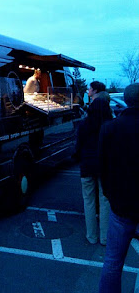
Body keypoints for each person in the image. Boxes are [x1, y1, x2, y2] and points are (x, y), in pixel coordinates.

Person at [98, 83, 139, 293]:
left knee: (113, 263)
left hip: (120, 205)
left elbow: (102, 166)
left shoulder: (110, 128)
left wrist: (109, 193)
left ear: (126, 100)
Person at [74, 97, 113, 245]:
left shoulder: (84, 124)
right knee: (105, 201)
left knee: (88, 201)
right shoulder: (109, 125)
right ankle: (104, 237)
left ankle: (91, 236)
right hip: (105, 167)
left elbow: (78, 146)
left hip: (87, 165)